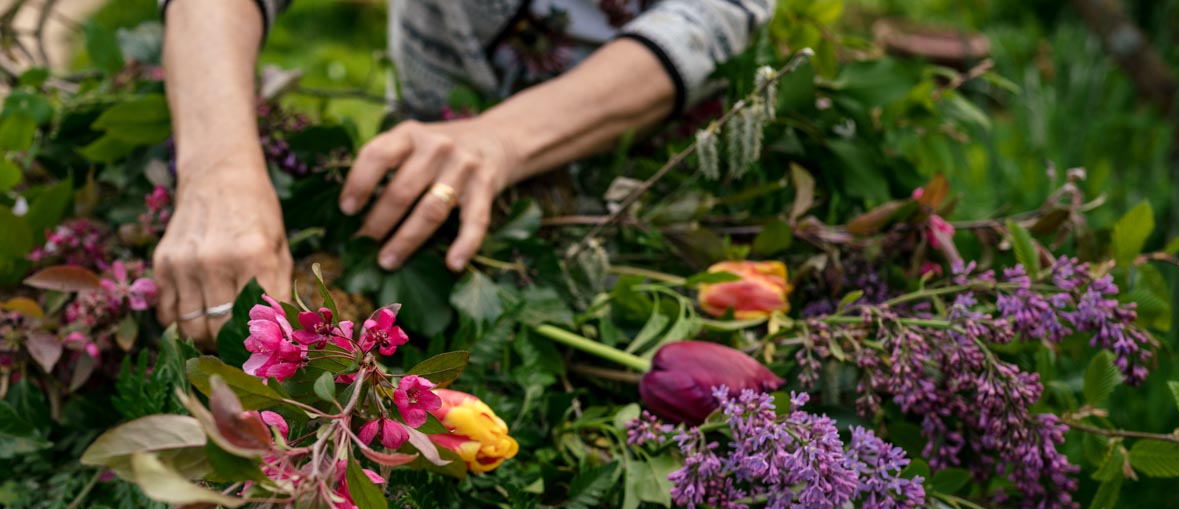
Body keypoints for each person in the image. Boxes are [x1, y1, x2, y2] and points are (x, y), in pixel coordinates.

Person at [152, 0, 776, 343]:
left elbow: (714, 11)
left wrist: (502, 138)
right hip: (426, 165)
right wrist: (217, 171)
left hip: (666, 177)